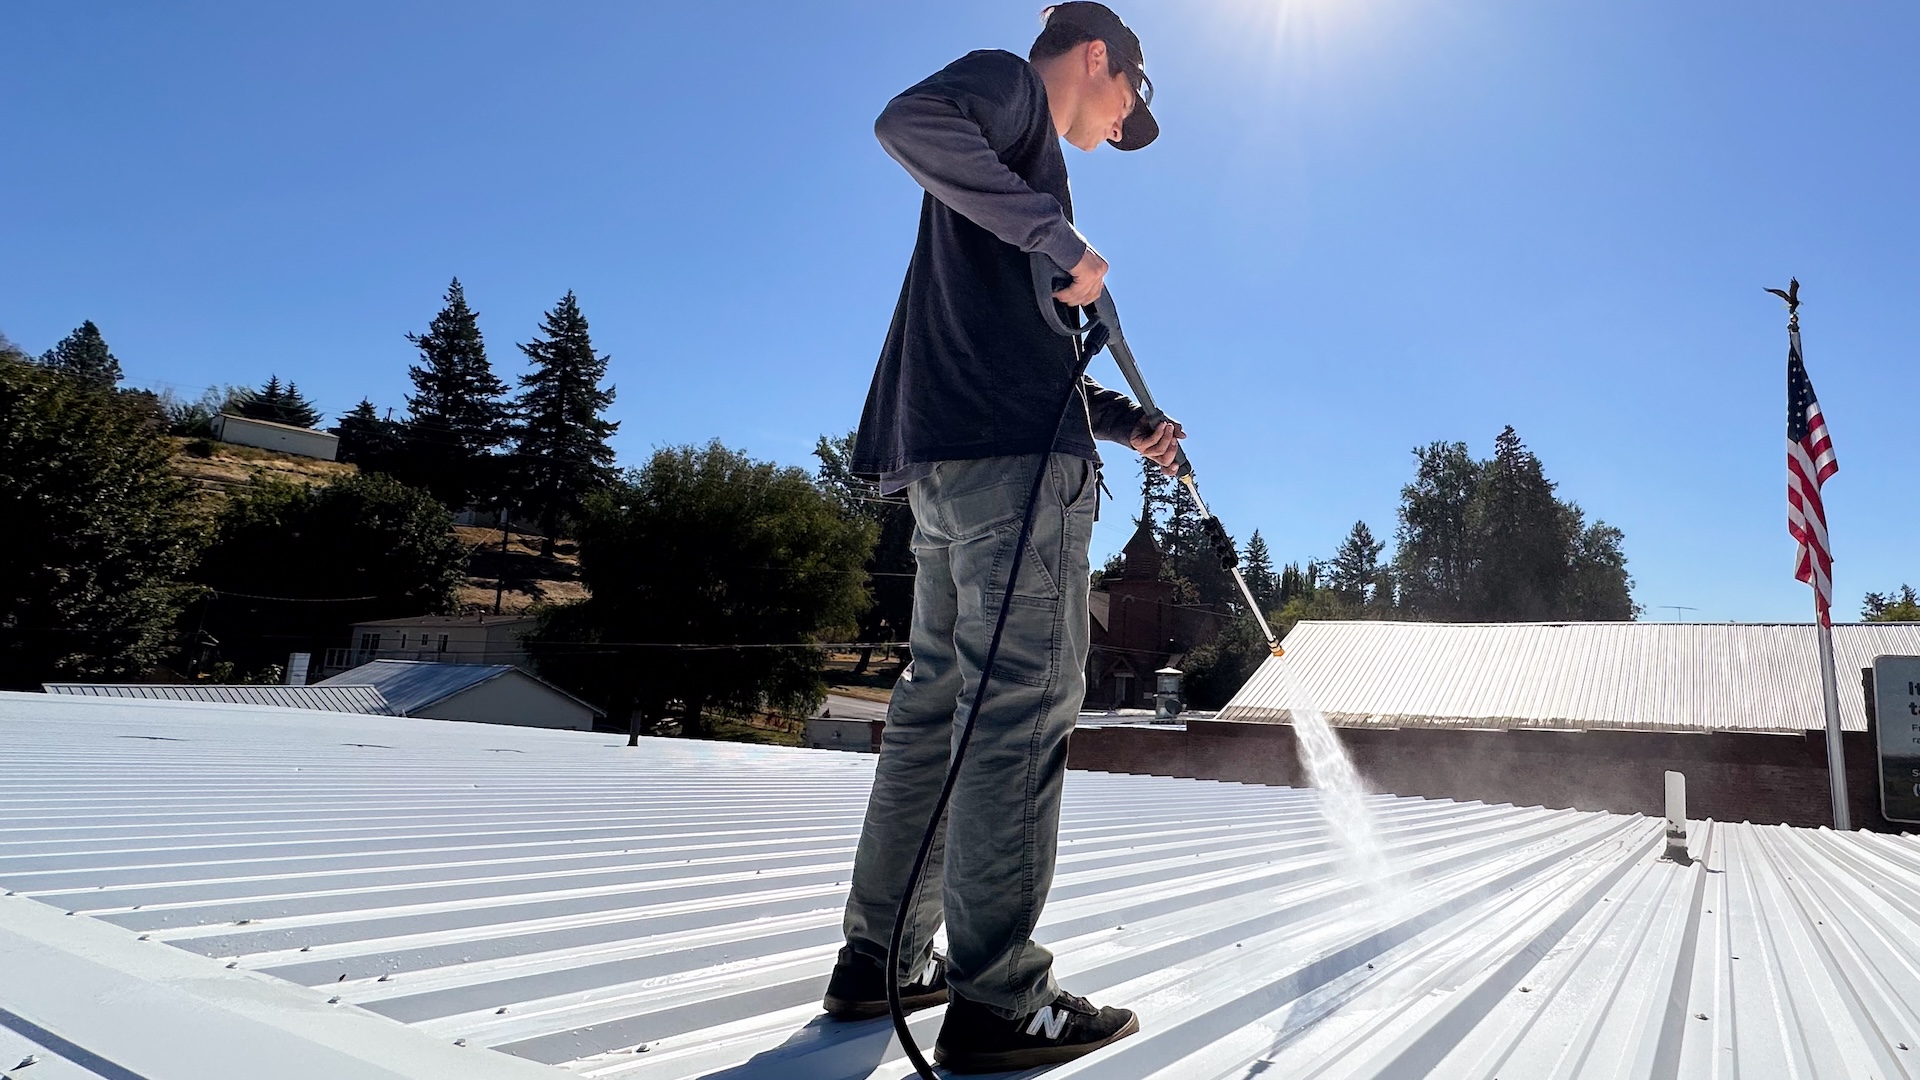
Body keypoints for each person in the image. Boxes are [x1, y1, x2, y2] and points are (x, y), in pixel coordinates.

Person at [821, 4, 1183, 1072]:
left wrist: (1128, 426)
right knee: (1019, 713)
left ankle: (878, 960)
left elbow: (1033, 357)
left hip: (956, 464)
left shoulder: (1008, 187)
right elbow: (906, 121)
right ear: (1096, 58)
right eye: (1129, 105)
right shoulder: (1011, 98)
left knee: (940, 711)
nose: (1122, 129)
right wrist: (1059, 235)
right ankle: (999, 1000)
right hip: (1015, 478)